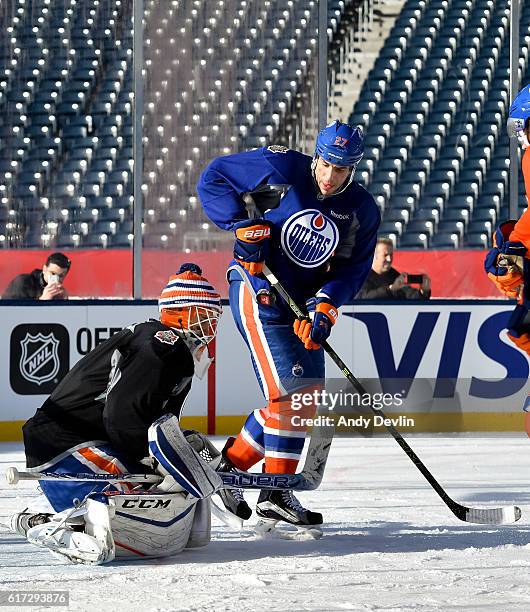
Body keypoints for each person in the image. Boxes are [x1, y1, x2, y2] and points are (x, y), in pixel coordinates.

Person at [197, 120, 380, 535]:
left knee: (306, 396)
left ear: (354, 168)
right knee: (288, 394)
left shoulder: (362, 209)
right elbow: (214, 177)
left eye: (342, 169)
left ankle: (238, 475)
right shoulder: (282, 168)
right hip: (258, 290)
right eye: (327, 164)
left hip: (300, 308)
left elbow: (354, 268)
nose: (331, 177)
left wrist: (327, 304)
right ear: (316, 155)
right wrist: (240, 227)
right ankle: (265, 489)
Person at [9, 263, 226, 564]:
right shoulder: (165, 345)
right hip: (66, 441)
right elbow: (122, 415)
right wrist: (150, 459)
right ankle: (47, 523)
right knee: (140, 494)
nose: (211, 324)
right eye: (204, 314)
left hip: (78, 438)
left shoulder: (171, 348)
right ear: (179, 312)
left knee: (158, 486)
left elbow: (157, 422)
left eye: (214, 316)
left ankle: (49, 511)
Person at [357, 237, 431, 299]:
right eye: (385, 255)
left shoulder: (393, 274)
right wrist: (390, 289)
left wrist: (423, 291)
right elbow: (363, 297)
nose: (389, 259)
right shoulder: (361, 274)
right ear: (373, 256)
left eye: (391, 255)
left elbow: (408, 294)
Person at [2, 252, 71, 300]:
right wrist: (42, 300)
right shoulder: (23, 282)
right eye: (52, 273)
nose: (56, 278)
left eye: (61, 276)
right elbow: (9, 310)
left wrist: (64, 302)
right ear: (44, 269)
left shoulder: (60, 292)